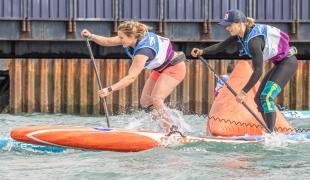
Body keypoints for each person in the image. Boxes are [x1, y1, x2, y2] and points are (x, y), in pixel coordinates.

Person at [191, 9, 298, 132]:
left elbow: (258, 71)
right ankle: (270, 131)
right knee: (258, 99)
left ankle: (272, 134)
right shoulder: (241, 35)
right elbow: (221, 46)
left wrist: (244, 92)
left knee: (266, 97)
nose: (227, 28)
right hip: (279, 64)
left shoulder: (253, 41)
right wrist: (203, 51)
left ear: (240, 24)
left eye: (229, 25)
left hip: (288, 63)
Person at [80, 21, 187, 132]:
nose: (119, 40)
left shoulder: (143, 51)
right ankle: (166, 126)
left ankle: (168, 131)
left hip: (175, 67)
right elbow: (107, 41)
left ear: (131, 37)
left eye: (121, 38)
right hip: (160, 69)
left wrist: (110, 89)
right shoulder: (132, 37)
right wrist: (91, 36)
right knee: (146, 102)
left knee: (157, 99)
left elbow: (131, 77)